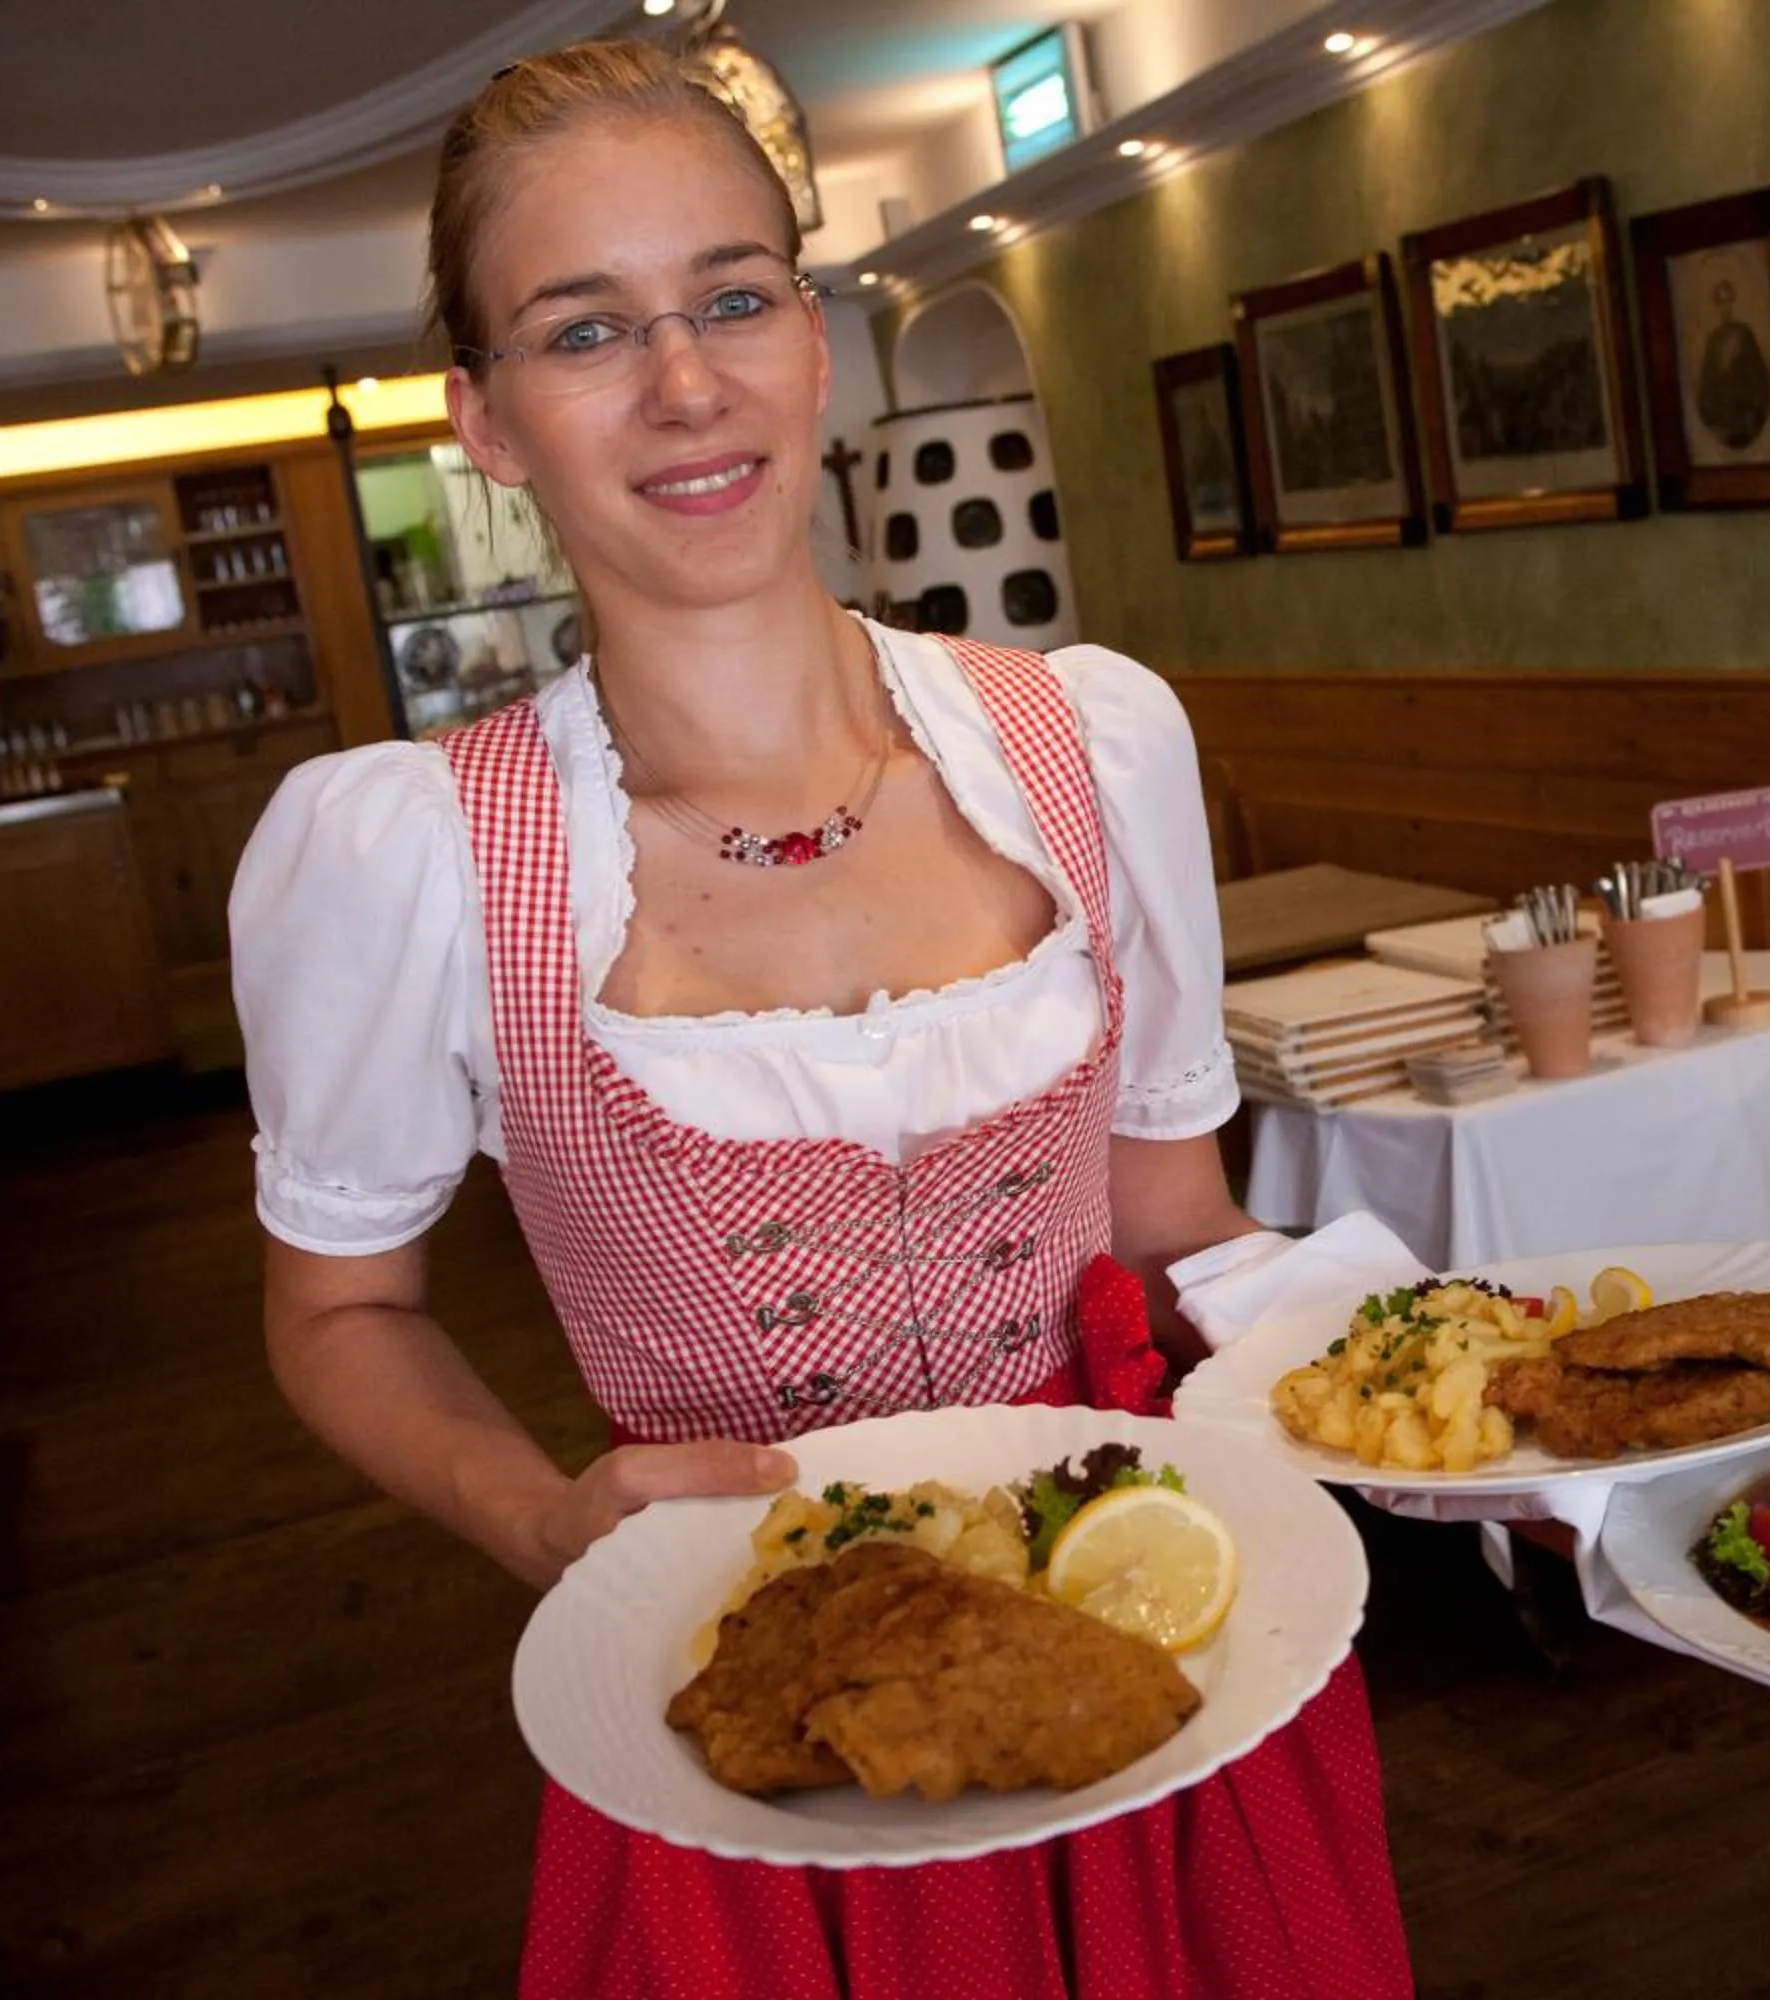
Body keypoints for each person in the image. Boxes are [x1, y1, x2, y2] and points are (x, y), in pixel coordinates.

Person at [231, 38, 1413, 2000]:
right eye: (585, 328)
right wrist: (538, 1518)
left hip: (1153, 1627)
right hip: (749, 1712)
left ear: (818, 336)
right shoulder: (408, 856)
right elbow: (341, 1308)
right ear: (488, 419)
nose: (685, 382)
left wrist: (1457, 1409)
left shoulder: (1089, 744)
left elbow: (1170, 1225)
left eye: (733, 295)